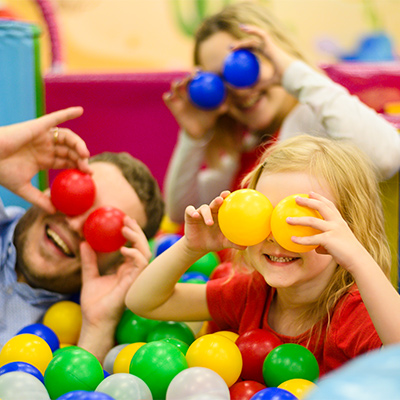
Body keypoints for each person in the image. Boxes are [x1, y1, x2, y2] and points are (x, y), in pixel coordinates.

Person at [126, 134, 400, 378]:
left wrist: (357, 257)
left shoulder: (355, 314)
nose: (273, 236)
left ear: (345, 233)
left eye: (297, 220)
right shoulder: (251, 294)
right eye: (262, 216)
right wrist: (190, 247)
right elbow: (143, 302)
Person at [163, 1, 400, 224]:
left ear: (278, 56)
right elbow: (181, 212)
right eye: (218, 80)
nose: (238, 88)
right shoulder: (247, 150)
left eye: (244, 64)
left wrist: (291, 72)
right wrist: (193, 137)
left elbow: (388, 156)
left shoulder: (314, 123)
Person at [0, 107, 164, 363]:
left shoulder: (79, 338)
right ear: (51, 186)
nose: (76, 225)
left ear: (115, 266)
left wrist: (98, 325)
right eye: (76, 196)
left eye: (102, 228)